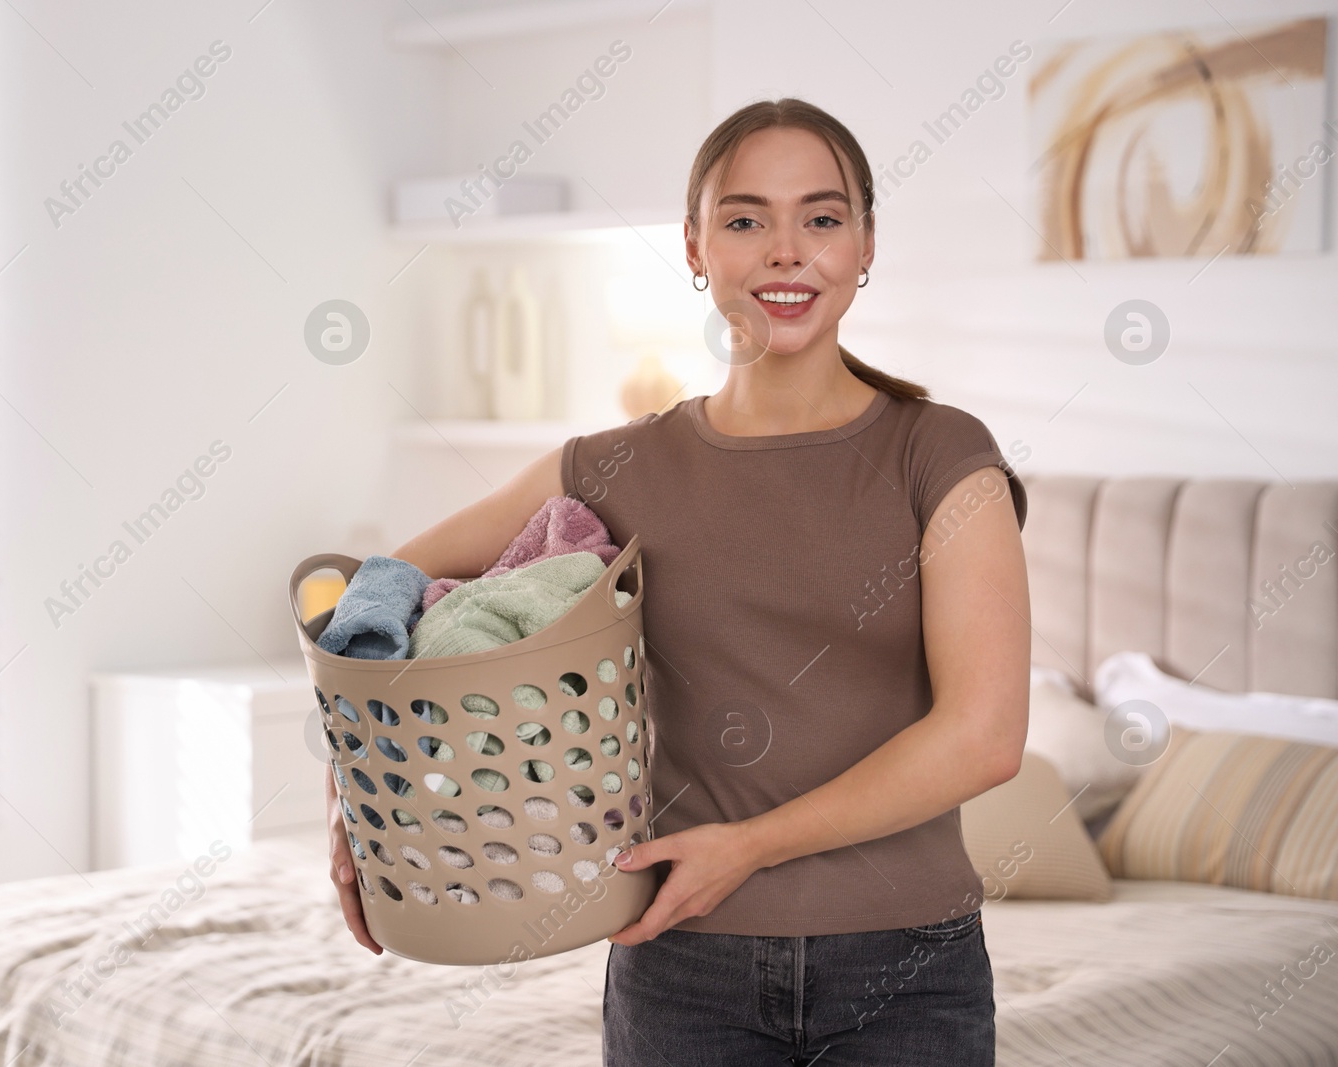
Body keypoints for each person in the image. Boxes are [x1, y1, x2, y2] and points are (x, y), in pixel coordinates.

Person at [326, 97, 1030, 1066]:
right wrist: (363, 798)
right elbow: (381, 589)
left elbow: (983, 739)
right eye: (745, 219)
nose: (786, 250)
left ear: (865, 244)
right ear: (694, 246)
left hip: (906, 966)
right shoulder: (615, 465)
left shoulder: (939, 453)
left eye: (821, 218)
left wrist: (749, 845)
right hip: (680, 966)